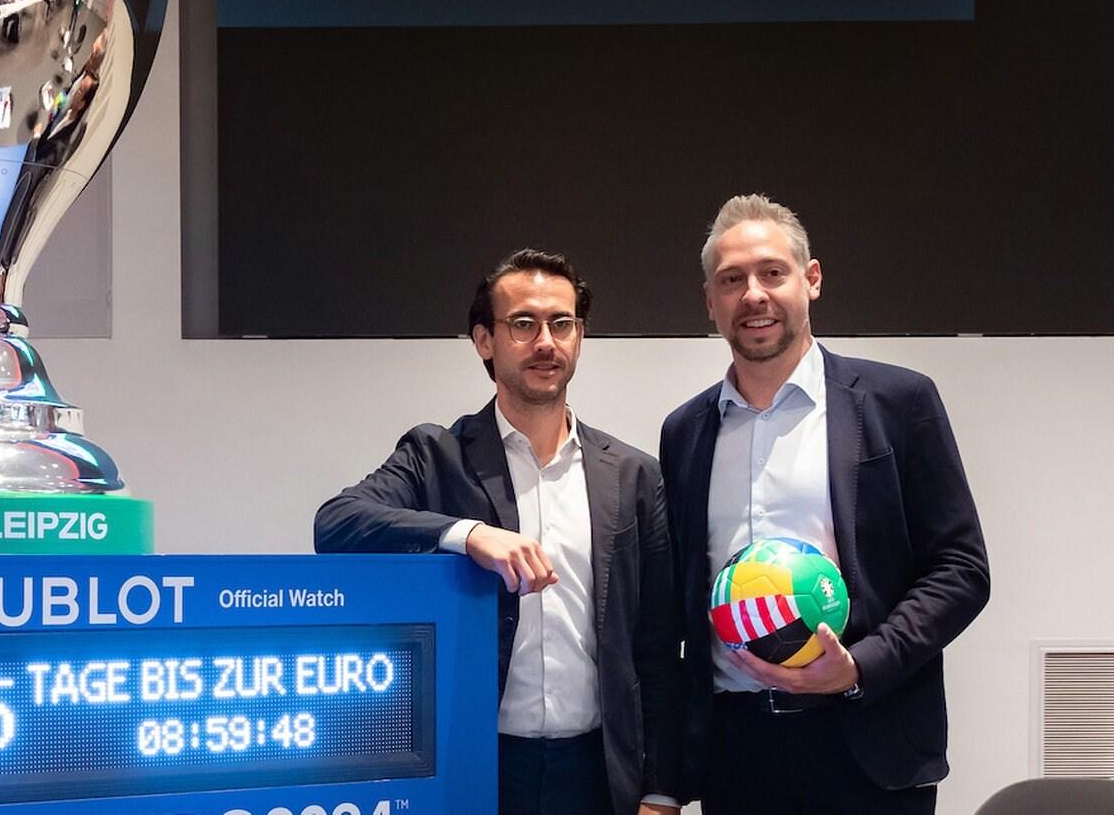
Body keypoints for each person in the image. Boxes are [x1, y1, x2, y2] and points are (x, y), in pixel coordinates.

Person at [316, 250, 683, 815]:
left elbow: (657, 646)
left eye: (562, 323)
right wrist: (466, 535)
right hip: (477, 766)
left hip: (599, 771)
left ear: (580, 336)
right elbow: (338, 522)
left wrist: (661, 789)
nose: (546, 342)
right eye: (523, 324)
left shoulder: (633, 475)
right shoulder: (437, 455)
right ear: (484, 340)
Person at [659, 194, 989, 814]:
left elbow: (962, 570)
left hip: (868, 743)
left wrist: (860, 665)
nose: (753, 295)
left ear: (811, 279)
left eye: (772, 273)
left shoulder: (899, 402)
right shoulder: (685, 432)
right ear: (710, 301)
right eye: (732, 280)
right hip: (736, 754)